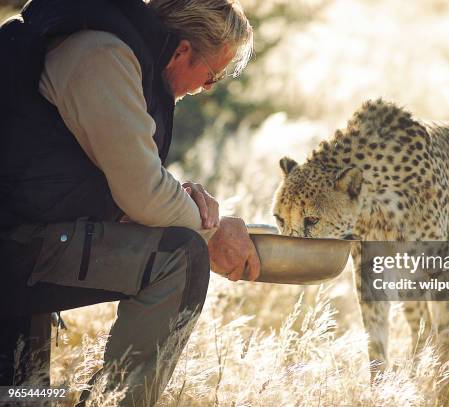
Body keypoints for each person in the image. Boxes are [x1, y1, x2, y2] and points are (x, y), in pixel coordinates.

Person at [0, 0, 261, 405]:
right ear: (182, 51)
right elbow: (143, 194)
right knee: (182, 257)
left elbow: (119, 176)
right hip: (18, 244)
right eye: (212, 75)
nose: (208, 88)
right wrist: (210, 229)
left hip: (24, 234)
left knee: (22, 398)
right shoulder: (101, 55)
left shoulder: (110, 48)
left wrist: (183, 199)